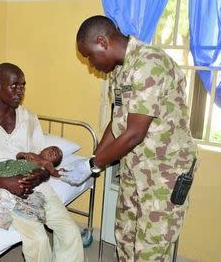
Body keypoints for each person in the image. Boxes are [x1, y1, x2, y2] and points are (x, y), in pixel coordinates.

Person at [63, 15, 198, 261]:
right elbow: (117, 123)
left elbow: (135, 133)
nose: (91, 65)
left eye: (90, 56)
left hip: (164, 175)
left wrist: (93, 165)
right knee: (125, 239)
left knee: (149, 251)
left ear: (103, 42)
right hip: (135, 169)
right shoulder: (120, 71)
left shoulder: (149, 63)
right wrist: (92, 160)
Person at [0, 62, 84, 262]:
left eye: (23, 86)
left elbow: (41, 159)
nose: (20, 91)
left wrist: (40, 175)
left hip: (35, 184)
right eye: (14, 86)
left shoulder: (30, 118)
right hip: (2, 189)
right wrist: (6, 183)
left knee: (70, 231)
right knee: (39, 240)